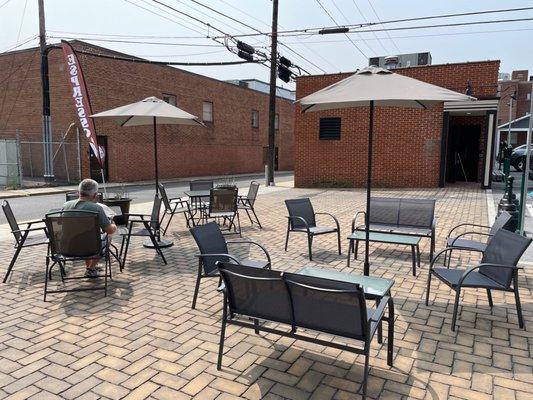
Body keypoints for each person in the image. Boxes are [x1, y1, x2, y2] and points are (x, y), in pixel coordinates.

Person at [63, 179, 117, 277]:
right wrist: (113, 224)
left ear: (78, 192)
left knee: (84, 236)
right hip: (89, 248)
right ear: (95, 195)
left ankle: (89, 267)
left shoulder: (66, 205)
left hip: (66, 247)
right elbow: (109, 230)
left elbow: (59, 223)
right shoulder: (96, 208)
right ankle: (91, 268)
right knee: (107, 237)